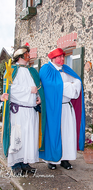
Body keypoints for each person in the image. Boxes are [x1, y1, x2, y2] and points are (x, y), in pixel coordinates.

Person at [2, 44, 46, 175]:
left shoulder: (32, 71)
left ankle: (25, 162)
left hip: (31, 110)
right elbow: (10, 90)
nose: (29, 56)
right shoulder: (10, 70)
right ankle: (15, 164)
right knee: (17, 136)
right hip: (18, 111)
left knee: (29, 136)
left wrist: (38, 97)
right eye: (27, 54)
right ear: (20, 56)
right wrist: (29, 90)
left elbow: (38, 87)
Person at [39, 48, 85, 170]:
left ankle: (65, 159)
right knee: (54, 133)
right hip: (53, 109)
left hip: (66, 108)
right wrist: (68, 86)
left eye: (63, 57)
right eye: (60, 57)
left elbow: (78, 82)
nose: (63, 59)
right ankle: (52, 160)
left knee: (67, 134)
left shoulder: (66, 69)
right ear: (53, 59)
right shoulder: (46, 69)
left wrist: (66, 87)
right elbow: (51, 86)